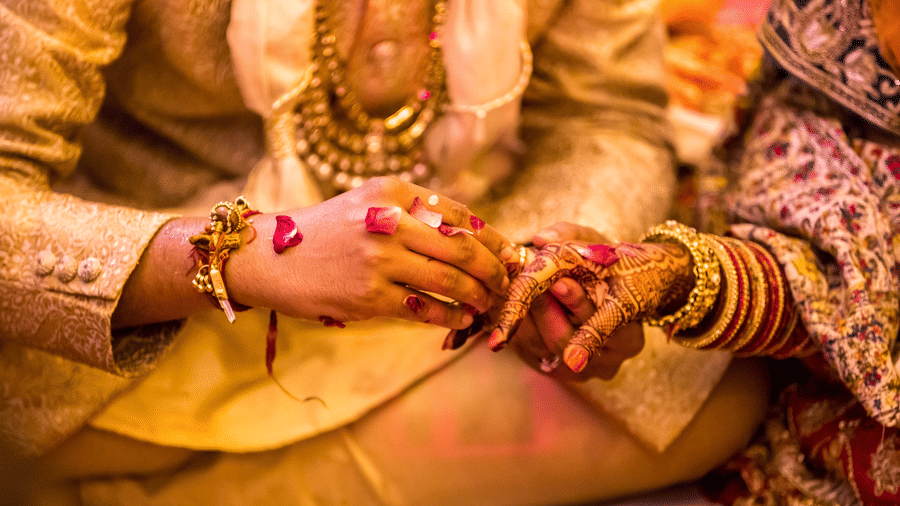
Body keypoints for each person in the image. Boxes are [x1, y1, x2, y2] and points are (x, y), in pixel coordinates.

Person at [0, 0, 768, 504]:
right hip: (157, 290)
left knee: (715, 387)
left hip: (443, 280)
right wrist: (242, 256)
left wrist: (558, 259)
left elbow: (606, 119)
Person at [494, 0, 900, 503]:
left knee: (724, 402)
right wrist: (568, 258)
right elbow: (818, 236)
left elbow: (607, 119)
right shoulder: (830, 32)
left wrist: (679, 276)